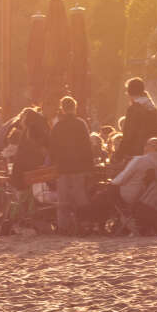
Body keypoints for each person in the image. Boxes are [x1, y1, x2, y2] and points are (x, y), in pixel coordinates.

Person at [49, 96, 92, 235]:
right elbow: (87, 146)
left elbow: (53, 147)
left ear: (62, 108)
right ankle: (84, 224)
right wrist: (89, 166)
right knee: (80, 196)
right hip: (78, 166)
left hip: (62, 166)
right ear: (75, 107)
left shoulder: (58, 125)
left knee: (63, 198)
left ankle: (64, 227)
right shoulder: (81, 124)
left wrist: (55, 163)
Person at [112, 136, 157, 232]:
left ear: (151, 147)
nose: (144, 147)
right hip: (149, 196)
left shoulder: (140, 160)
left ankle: (125, 218)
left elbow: (121, 179)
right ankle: (122, 223)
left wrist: (112, 183)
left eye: (146, 145)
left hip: (134, 195)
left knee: (109, 190)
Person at [113, 77, 157, 169]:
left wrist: (118, 155)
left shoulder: (134, 109)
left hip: (136, 155)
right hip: (152, 154)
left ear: (129, 93)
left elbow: (128, 135)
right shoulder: (154, 110)